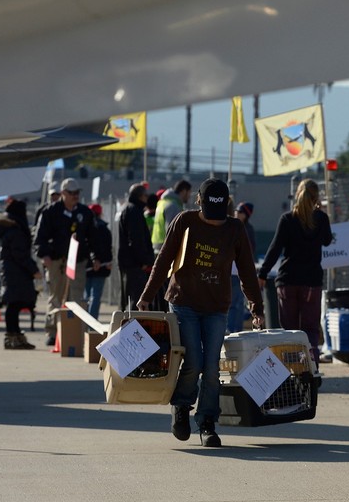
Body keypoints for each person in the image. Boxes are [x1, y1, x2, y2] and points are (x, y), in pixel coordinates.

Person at [137, 178, 264, 447]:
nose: (215, 222)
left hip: (217, 307)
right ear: (199, 202)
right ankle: (182, 404)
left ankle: (207, 422)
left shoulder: (235, 229)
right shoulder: (184, 222)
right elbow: (163, 261)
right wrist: (147, 297)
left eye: (219, 216)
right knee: (194, 359)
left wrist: (257, 307)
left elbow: (247, 273)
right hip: (184, 302)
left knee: (211, 366)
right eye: (210, 215)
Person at [257, 179, 333, 364]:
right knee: (310, 329)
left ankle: (290, 368)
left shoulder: (288, 219)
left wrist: (263, 273)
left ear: (297, 194)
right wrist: (321, 211)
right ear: (317, 197)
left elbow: (275, 248)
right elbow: (327, 241)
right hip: (311, 282)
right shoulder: (321, 219)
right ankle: (310, 366)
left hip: (288, 280)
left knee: (289, 330)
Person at [33, 177, 96, 346]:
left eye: (77, 193)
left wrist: (95, 257)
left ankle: (75, 331)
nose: (75, 196)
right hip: (56, 260)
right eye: (72, 193)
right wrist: (44, 255)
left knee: (75, 296)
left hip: (78, 261)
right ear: (63, 193)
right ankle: (52, 332)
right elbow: (40, 237)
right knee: (56, 296)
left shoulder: (85, 212)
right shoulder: (50, 212)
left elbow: (94, 237)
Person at [0, 199, 39, 350]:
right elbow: (20, 255)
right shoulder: (16, 232)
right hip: (17, 272)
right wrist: (33, 270)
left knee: (14, 305)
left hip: (11, 271)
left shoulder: (9, 230)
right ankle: (13, 337)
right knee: (15, 305)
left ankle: (14, 336)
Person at [117, 183, 155, 310]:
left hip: (129, 263)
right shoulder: (134, 211)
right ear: (140, 196)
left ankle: (127, 326)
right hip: (134, 265)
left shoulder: (128, 208)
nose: (147, 198)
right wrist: (143, 261)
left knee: (128, 299)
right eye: (146, 195)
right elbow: (136, 239)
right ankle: (131, 328)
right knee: (135, 300)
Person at [227, 202, 256, 333]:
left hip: (237, 272)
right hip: (231, 271)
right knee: (233, 303)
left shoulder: (245, 230)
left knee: (237, 304)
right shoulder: (236, 227)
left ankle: (234, 330)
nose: (236, 214)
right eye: (236, 211)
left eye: (240, 212)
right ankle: (231, 330)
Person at [84, 203, 113, 321]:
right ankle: (92, 323)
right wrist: (106, 261)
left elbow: (87, 246)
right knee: (95, 296)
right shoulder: (104, 229)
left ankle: (84, 323)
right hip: (102, 267)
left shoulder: (86, 227)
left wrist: (92, 260)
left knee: (86, 296)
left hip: (87, 267)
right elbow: (107, 247)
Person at [151, 179, 192, 253]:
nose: (189, 196)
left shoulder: (163, 202)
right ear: (184, 191)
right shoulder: (173, 206)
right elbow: (172, 232)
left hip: (158, 246)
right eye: (189, 192)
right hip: (165, 249)